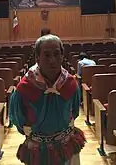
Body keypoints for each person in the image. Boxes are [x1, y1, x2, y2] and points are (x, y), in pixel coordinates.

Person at [9, 34, 85, 165]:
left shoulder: (71, 84)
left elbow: (75, 111)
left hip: (66, 146)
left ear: (62, 56)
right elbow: (17, 118)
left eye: (57, 54)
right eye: (47, 55)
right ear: (37, 58)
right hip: (38, 150)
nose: (52, 60)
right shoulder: (25, 87)